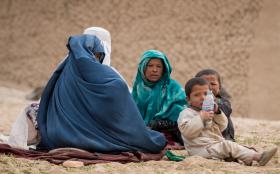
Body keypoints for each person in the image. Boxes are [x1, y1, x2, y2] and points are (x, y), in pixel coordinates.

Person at [8, 28, 167, 153]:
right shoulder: (112, 79)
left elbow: (45, 102)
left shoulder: (63, 72)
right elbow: (122, 118)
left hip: (55, 135)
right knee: (153, 139)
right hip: (90, 136)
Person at [177, 77, 277, 166]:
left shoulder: (209, 111)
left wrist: (217, 113)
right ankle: (259, 158)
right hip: (200, 150)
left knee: (232, 145)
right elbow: (188, 133)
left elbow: (223, 126)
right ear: (188, 99)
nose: (202, 97)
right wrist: (201, 118)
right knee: (227, 146)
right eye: (197, 95)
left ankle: (245, 156)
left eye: (205, 94)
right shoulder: (186, 113)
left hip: (213, 145)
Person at [132, 50, 187, 146]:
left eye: (159, 66)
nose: (154, 70)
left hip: (170, 133)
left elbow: (183, 116)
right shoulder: (137, 89)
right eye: (150, 66)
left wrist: (157, 124)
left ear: (164, 69)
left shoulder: (174, 88)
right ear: (143, 67)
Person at [195, 69, 235, 141]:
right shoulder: (193, 100)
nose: (209, 87)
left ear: (219, 88)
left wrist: (216, 106)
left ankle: (228, 138)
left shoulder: (220, 99)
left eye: (213, 84)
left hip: (222, 134)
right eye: (204, 83)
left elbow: (227, 110)